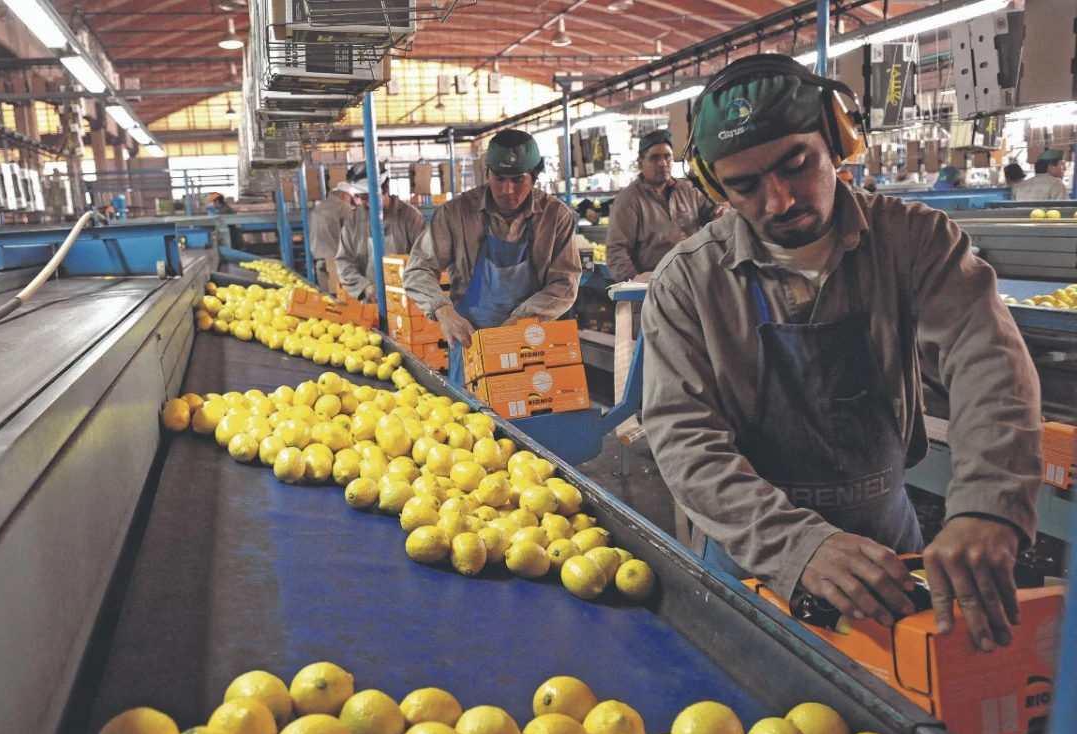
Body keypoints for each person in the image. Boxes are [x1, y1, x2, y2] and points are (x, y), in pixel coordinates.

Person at [642, 54, 1042, 653]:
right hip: (755, 556)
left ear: (837, 140)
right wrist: (796, 546)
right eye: (744, 186)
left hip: (889, 540)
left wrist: (988, 504)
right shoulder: (688, 282)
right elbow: (683, 436)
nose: (779, 201)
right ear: (714, 187)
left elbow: (988, 360)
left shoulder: (914, 242)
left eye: (796, 165)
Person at [402, 129, 581, 385]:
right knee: (469, 418)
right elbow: (418, 269)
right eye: (499, 178)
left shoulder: (555, 217)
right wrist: (443, 311)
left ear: (534, 178)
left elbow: (565, 283)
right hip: (471, 342)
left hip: (533, 340)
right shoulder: (457, 213)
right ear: (486, 174)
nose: (508, 190)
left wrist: (519, 321)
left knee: (529, 414)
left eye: (518, 179)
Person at [606, 129, 721, 282]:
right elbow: (616, 252)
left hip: (694, 279)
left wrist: (721, 212)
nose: (663, 163)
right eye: (655, 158)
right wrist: (635, 280)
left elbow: (714, 213)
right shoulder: (628, 201)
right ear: (641, 162)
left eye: (667, 157)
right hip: (653, 284)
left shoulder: (689, 190)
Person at [335, 161, 425, 303]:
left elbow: (424, 260)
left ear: (386, 188)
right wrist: (365, 287)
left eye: (369, 197)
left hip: (406, 300)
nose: (364, 203)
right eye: (359, 197)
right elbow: (343, 262)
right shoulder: (354, 221)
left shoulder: (410, 217)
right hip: (369, 301)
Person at [309, 181, 354, 292]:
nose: (350, 200)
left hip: (319, 259)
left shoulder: (318, 209)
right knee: (342, 298)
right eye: (350, 197)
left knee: (328, 297)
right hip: (335, 260)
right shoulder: (342, 206)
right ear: (344, 194)